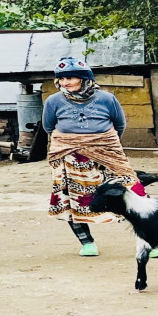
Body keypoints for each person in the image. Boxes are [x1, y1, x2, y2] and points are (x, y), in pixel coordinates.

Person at [42, 57, 143, 256]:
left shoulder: (106, 99)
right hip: (70, 155)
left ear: (84, 78)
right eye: (61, 79)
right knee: (72, 198)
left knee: (133, 191)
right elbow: (48, 127)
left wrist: (102, 144)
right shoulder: (53, 101)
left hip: (107, 153)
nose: (65, 83)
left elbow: (119, 125)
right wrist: (76, 143)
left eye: (71, 78)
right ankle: (87, 243)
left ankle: (151, 241)